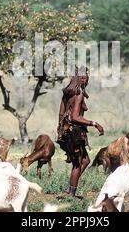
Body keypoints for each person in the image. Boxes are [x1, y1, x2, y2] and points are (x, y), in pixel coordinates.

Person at [57, 66, 104, 197]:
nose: (86, 79)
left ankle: (70, 188)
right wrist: (94, 124)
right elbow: (75, 117)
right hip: (74, 133)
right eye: (83, 77)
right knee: (78, 164)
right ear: (78, 78)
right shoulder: (78, 94)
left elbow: (61, 113)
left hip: (67, 131)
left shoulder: (67, 93)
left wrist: (60, 129)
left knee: (85, 161)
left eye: (86, 76)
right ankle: (71, 194)